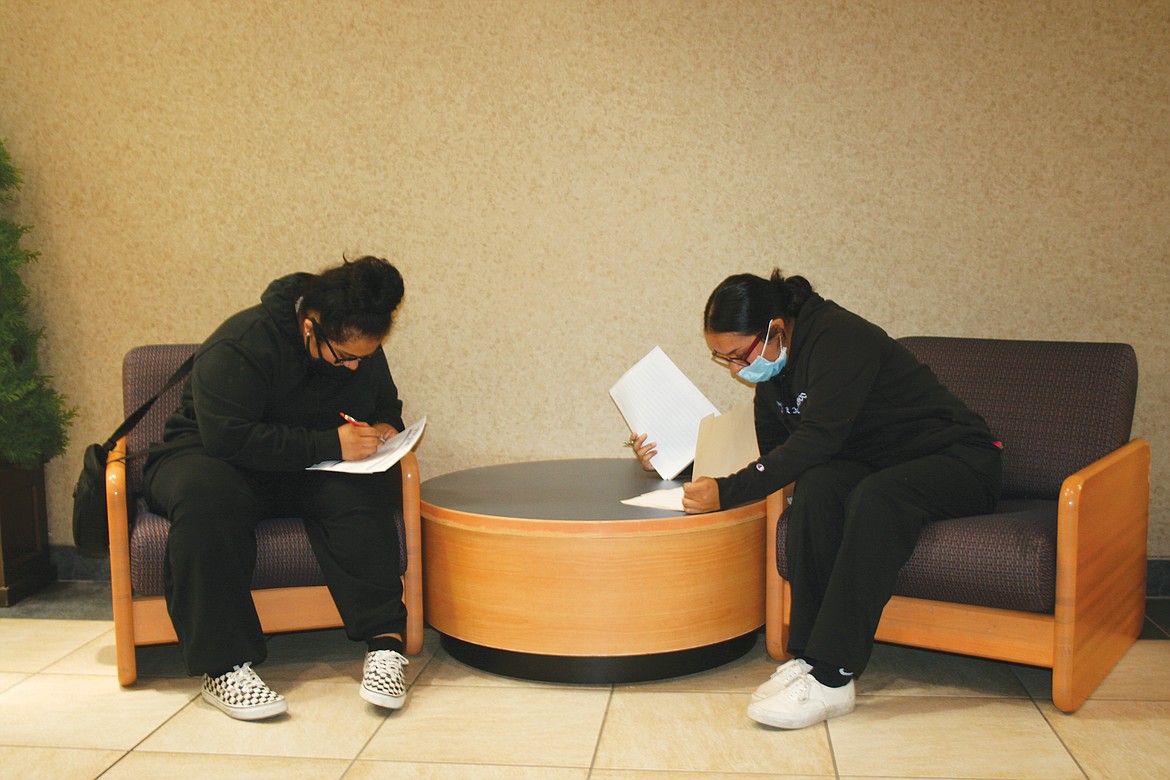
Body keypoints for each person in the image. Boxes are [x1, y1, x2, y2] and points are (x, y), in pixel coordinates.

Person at [631, 269, 1001, 730]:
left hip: (958, 460)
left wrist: (727, 491)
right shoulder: (775, 367)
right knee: (820, 485)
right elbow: (777, 458)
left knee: (877, 496)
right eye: (721, 358)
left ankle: (833, 675)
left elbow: (817, 440)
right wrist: (683, 468)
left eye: (737, 355)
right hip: (883, 461)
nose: (735, 370)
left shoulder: (841, 339)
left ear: (776, 328)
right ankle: (808, 657)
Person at [144, 255, 413, 721]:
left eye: (363, 358)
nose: (353, 368)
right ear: (311, 326)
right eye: (345, 357)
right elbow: (229, 438)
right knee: (209, 498)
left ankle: (386, 645)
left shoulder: (355, 345)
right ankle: (223, 666)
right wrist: (330, 442)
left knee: (357, 491)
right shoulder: (242, 343)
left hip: (304, 461)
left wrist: (386, 427)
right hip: (210, 456)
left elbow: (385, 402)